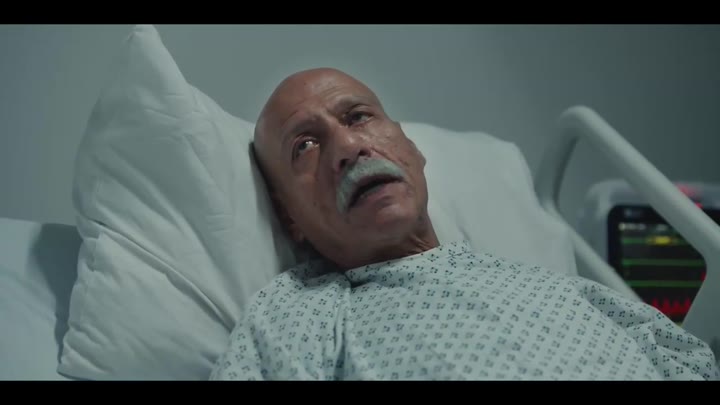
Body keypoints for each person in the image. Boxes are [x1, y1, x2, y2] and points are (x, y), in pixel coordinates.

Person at [209, 67, 719, 380]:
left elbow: (688, 361)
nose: (348, 147)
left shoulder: (561, 288)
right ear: (290, 218)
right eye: (305, 146)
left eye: (358, 117)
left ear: (411, 149)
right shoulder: (300, 316)